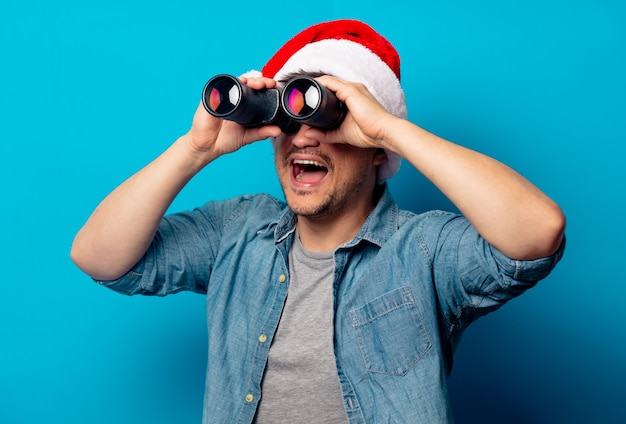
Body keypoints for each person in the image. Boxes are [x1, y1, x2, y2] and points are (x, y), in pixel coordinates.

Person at [71, 19, 566, 423]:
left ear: (376, 151)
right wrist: (194, 150)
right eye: (287, 120)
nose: (302, 138)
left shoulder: (422, 251)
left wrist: (389, 129)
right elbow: (98, 256)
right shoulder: (236, 231)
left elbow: (538, 232)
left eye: (324, 119)